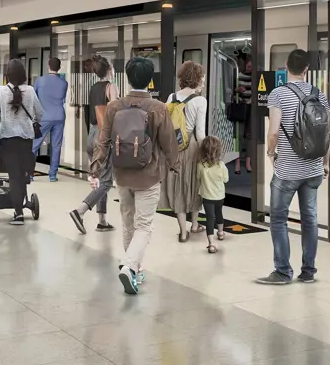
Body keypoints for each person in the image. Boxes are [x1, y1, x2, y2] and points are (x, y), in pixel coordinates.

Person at [89, 57, 179, 295]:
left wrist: (96, 168)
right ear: (150, 80)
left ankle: (135, 270)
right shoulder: (157, 107)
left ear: (128, 78)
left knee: (128, 223)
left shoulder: (115, 107)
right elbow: (169, 142)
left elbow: (104, 140)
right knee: (144, 227)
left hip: (122, 174)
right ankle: (129, 266)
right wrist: (174, 164)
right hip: (148, 175)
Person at [257, 49, 330, 286]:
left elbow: (274, 132)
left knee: (278, 219)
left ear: (286, 66)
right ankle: (308, 271)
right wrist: (325, 163)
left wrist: (271, 154)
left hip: (287, 170)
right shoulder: (321, 95)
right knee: (310, 218)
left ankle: (282, 272)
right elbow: (326, 134)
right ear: (307, 69)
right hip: (314, 169)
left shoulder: (278, 94)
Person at [0, 60, 43, 225]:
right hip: (26, 140)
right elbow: (40, 114)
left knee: (14, 176)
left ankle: (18, 213)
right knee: (22, 174)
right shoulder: (31, 91)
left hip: (7, 140)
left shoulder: (0, 92)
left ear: (7, 75)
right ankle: (23, 202)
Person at [68, 55, 116, 234]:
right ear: (109, 69)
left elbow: (92, 114)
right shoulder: (111, 87)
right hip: (103, 137)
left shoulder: (93, 88)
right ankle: (79, 211)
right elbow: (114, 112)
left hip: (92, 135)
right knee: (106, 182)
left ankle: (102, 221)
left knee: (100, 179)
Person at [162, 60, 207, 242]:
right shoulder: (199, 101)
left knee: (177, 187)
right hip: (192, 147)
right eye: (202, 78)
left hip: (173, 147)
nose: (203, 81)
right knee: (194, 185)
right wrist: (207, 154)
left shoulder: (171, 97)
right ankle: (194, 225)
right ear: (196, 79)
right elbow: (201, 133)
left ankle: (182, 231)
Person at [32, 57, 68, 182]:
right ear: (59, 68)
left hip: (44, 117)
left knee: (35, 145)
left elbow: (33, 98)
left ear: (48, 66)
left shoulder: (40, 81)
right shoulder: (64, 83)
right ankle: (52, 175)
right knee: (56, 146)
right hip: (59, 116)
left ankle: (30, 173)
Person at [196, 136, 228, 254]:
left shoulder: (201, 165)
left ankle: (211, 244)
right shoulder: (221, 165)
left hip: (207, 196)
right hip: (220, 196)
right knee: (219, 213)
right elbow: (226, 179)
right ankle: (220, 233)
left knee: (209, 218)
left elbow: (198, 178)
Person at [233, 53, 253, 174]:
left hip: (252, 109)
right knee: (239, 136)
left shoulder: (256, 77)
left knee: (249, 136)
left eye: (251, 63)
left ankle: (248, 162)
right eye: (248, 62)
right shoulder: (239, 76)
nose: (250, 65)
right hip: (241, 108)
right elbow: (234, 91)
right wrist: (238, 90)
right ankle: (237, 162)